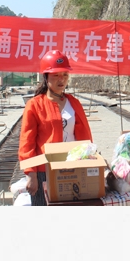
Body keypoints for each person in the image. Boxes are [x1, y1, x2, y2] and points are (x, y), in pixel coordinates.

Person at [18, 49, 93, 206]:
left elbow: (85, 136)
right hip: (44, 172)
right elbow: (27, 143)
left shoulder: (74, 103)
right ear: (46, 77)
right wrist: (30, 174)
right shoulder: (35, 105)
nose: (61, 79)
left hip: (73, 167)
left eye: (65, 75)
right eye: (56, 75)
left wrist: (90, 162)